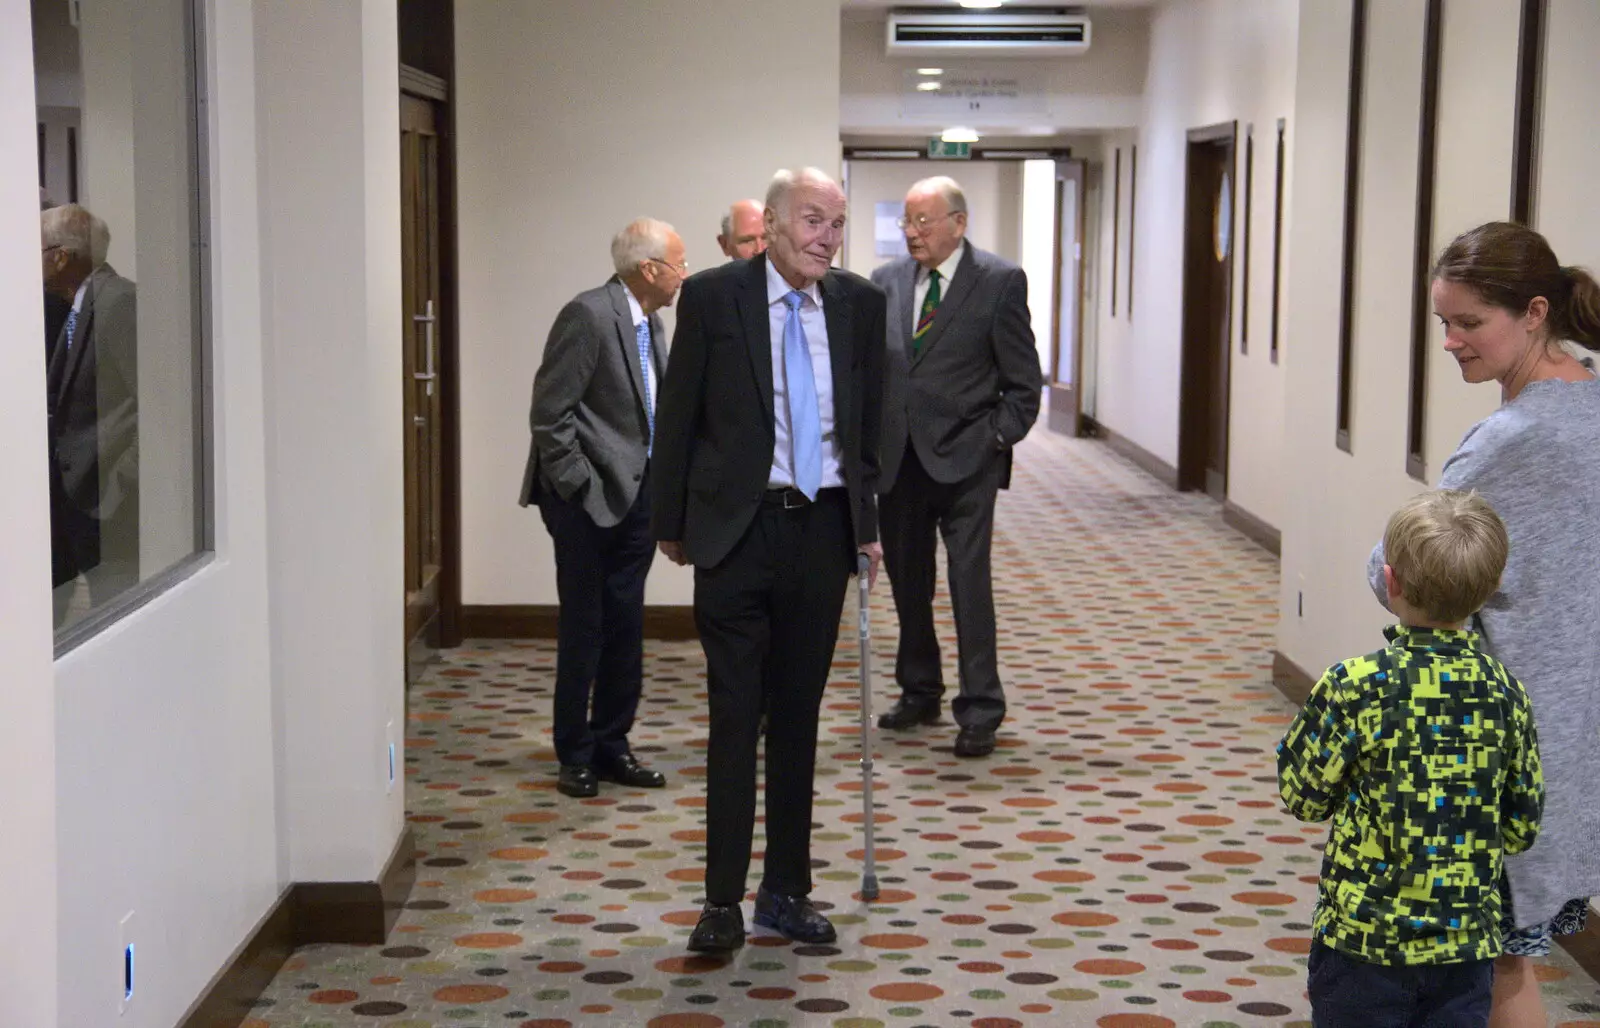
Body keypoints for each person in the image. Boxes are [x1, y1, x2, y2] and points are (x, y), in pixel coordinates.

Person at [1366, 221, 1600, 1028]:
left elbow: (1394, 567)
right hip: (1577, 728)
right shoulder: (1594, 401)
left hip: (1508, 735)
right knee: (1515, 957)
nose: (1451, 341)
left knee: (1496, 962)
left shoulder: (1514, 439)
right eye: (1443, 322)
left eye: (1469, 323)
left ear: (1535, 312)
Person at [651, 167, 886, 952]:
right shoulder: (717, 297)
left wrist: (868, 524)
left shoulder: (859, 305)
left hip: (821, 533)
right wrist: (671, 520)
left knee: (797, 718)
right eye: (814, 221)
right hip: (737, 532)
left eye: (838, 224)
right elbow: (679, 409)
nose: (828, 238)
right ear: (775, 225)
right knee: (733, 715)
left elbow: (870, 429)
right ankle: (720, 900)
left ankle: (784, 889)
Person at [1283, 489, 1543, 1028]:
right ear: (1491, 589)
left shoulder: (1356, 687)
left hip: (1362, 941)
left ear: (1391, 581)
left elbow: (1303, 798)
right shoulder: (1507, 694)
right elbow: (1521, 828)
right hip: (1464, 947)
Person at [869, 175, 1042, 758]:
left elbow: (1023, 383)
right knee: (908, 584)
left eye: (924, 222)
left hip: (969, 460)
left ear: (958, 223)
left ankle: (981, 709)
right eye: (907, 223)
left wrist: (995, 438)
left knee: (969, 586)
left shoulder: (997, 281)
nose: (912, 233)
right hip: (900, 462)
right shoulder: (886, 280)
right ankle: (919, 689)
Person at [518, 218, 685, 798]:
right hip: (586, 502)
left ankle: (614, 744)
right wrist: (579, 487)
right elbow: (549, 414)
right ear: (650, 269)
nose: (684, 275)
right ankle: (576, 753)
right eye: (679, 264)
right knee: (586, 628)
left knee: (626, 625)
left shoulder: (652, 324)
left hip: (638, 497)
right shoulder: (588, 316)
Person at [43, 203, 138, 624]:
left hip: (106, 500)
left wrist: (122, 480)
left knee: (115, 616)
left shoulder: (118, 302)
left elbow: (156, 402)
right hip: (77, 498)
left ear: (62, 256)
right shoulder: (78, 304)